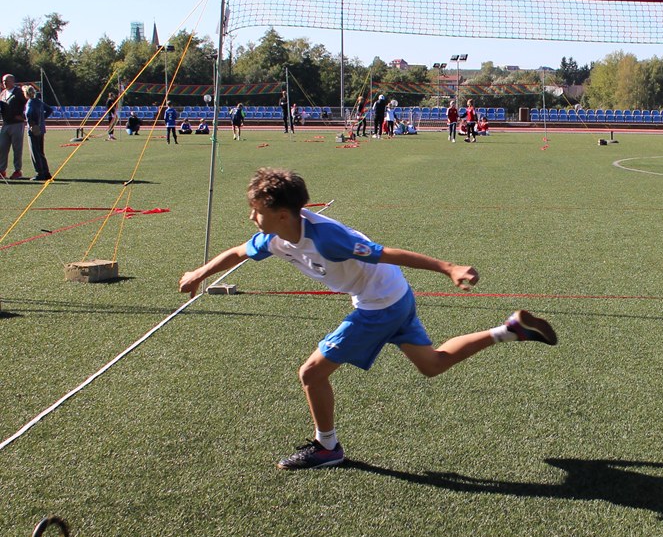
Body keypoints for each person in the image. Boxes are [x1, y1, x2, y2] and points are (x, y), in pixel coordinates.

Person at [178, 167, 559, 470]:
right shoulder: (274, 237)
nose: (251, 217)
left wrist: (448, 267)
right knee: (432, 364)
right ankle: (510, 330)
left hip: (380, 305)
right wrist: (200, 273)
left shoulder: (327, 239)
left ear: (280, 215)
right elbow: (238, 253)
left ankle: (327, 448)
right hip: (394, 295)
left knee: (311, 373)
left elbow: (386, 252)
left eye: (256, 212)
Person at [0, 74, 28, 179]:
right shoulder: (3, 93)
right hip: (5, 124)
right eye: (3, 81)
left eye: (6, 81)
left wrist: (23, 117)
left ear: (12, 81)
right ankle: (2, 170)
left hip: (17, 124)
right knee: (2, 148)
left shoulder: (19, 93)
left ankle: (17, 171)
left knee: (17, 149)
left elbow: (29, 103)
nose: (4, 83)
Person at [23, 86, 53, 181]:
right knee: (40, 152)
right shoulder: (39, 102)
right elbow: (49, 110)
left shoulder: (30, 103)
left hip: (34, 130)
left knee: (35, 152)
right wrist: (42, 119)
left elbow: (28, 114)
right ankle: (46, 172)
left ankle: (40, 173)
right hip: (41, 129)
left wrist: (33, 123)